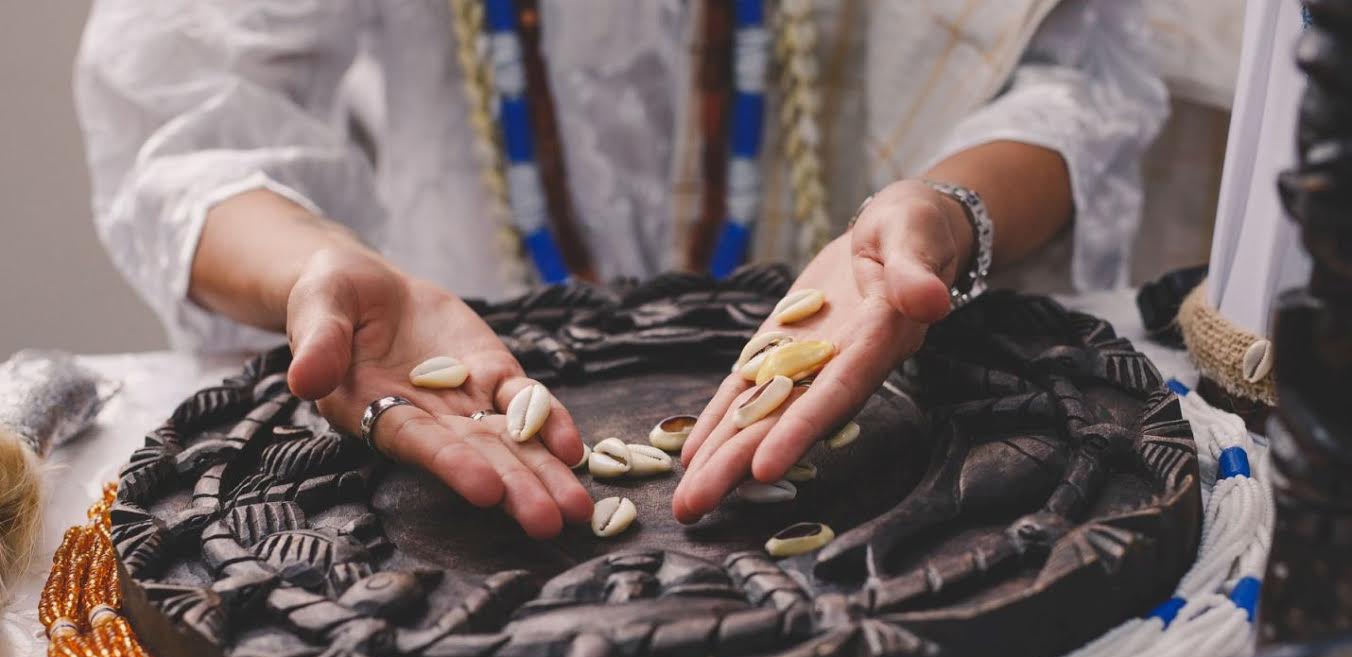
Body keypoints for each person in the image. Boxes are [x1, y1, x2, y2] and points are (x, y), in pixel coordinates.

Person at [76, 0, 1166, 537]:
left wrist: (942, 213)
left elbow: (1077, 74)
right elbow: (181, 119)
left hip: (900, 377)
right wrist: (317, 266)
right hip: (460, 352)